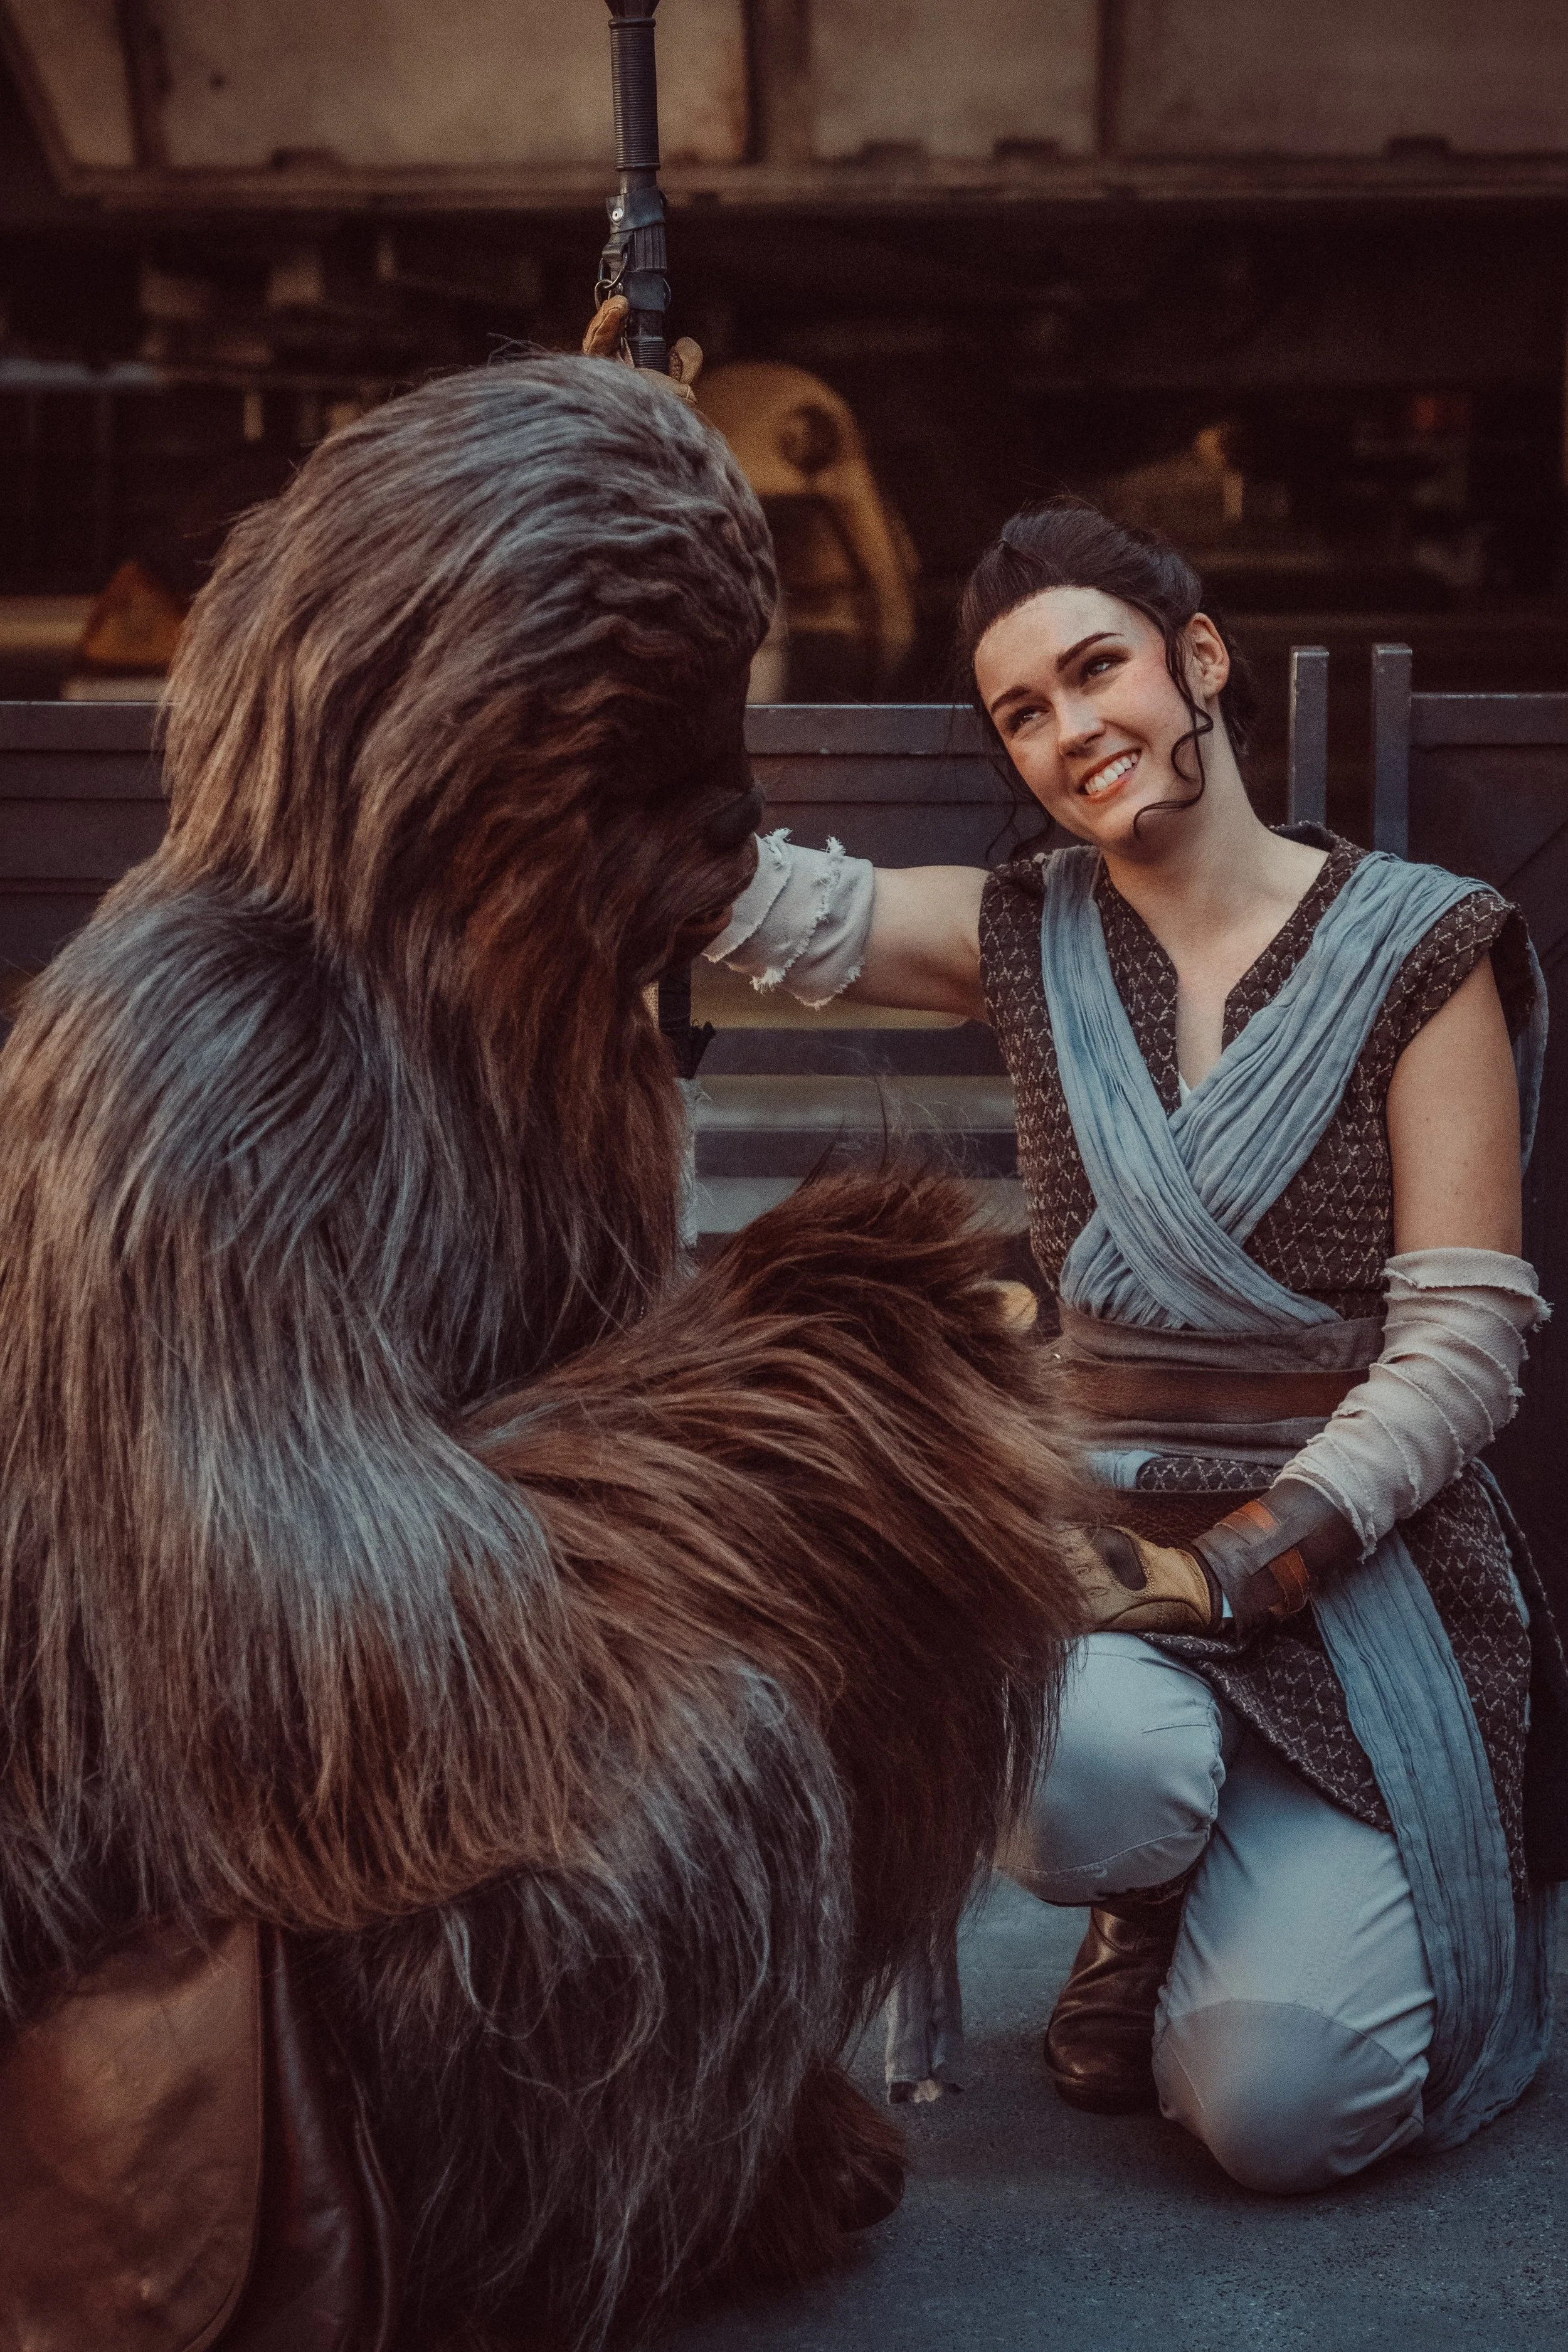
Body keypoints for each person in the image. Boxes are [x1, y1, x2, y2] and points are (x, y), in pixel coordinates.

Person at [0, 362, 1086, 2348]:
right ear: (446, 753)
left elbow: (570, 1405)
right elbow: (306, 1699)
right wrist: (772, 1433)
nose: (723, 812)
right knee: (724, 1742)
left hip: (449, 1768)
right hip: (251, 1891)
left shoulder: (534, 1019)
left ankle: (712, 2131)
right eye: (636, 766)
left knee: (882, 1446)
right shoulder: (186, 1051)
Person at [704, 497, 1565, 2194]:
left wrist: (1250, 1561)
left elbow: (1462, 1344)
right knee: (1071, 1764)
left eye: (1094, 669)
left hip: (1365, 1572)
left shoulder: (1422, 943)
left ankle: (1253, 1891)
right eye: (1019, 710)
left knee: (1273, 2108)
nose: (1067, 728)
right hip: (1106, 1552)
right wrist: (639, 615)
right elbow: (744, 907)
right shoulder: (1024, 933)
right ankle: (1151, 1874)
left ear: (1198, 660)